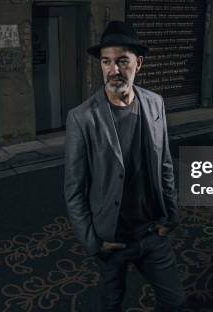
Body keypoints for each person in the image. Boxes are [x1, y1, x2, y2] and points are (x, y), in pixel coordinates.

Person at [64, 20, 186, 311]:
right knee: (111, 303)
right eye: (106, 61)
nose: (113, 70)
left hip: (152, 234)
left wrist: (171, 216)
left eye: (122, 61)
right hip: (112, 242)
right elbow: (74, 190)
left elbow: (165, 164)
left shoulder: (155, 104)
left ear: (138, 63)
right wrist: (93, 243)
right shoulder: (82, 118)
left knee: (176, 302)